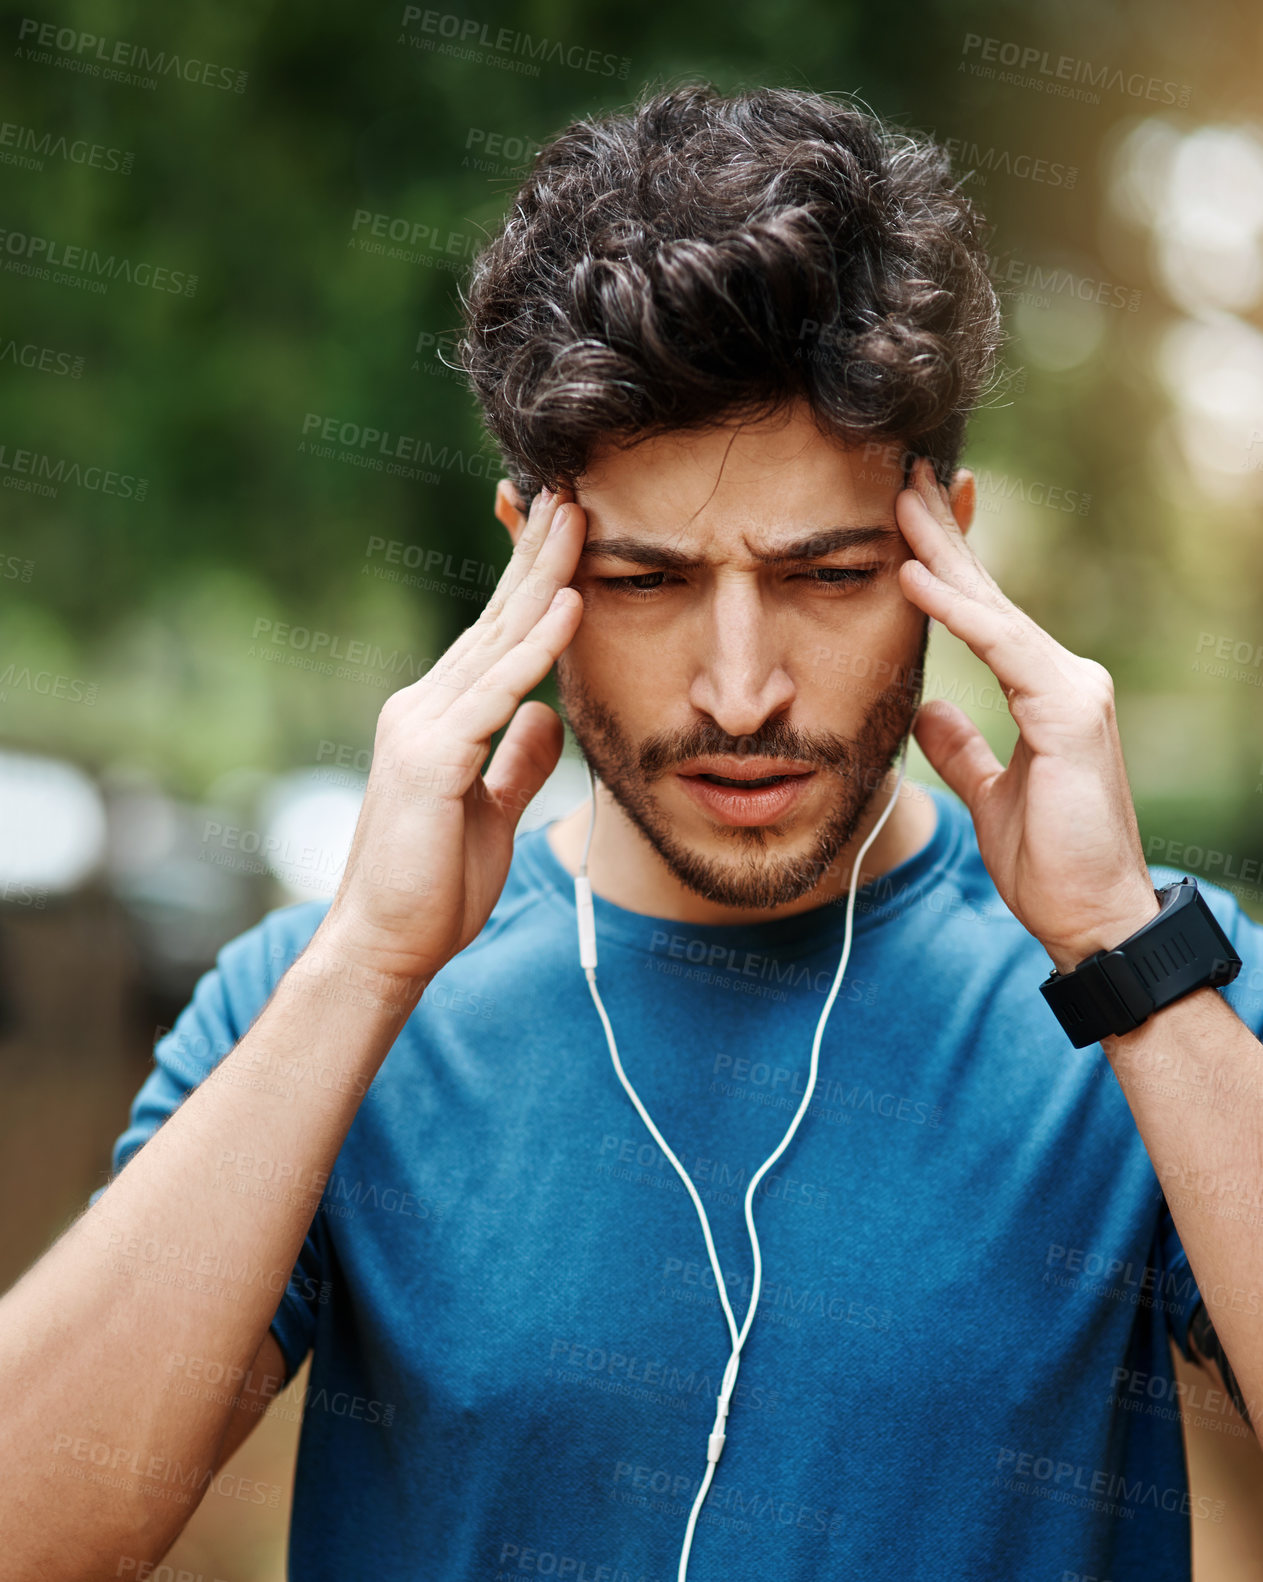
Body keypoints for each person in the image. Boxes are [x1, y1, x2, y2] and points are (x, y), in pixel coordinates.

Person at [2, 80, 1260, 1582]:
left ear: (948, 549)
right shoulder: (321, 997)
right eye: (651, 582)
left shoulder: (1159, 979)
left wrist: (1123, 949)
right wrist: (367, 964)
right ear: (527, 572)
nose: (741, 692)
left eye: (828, 573)